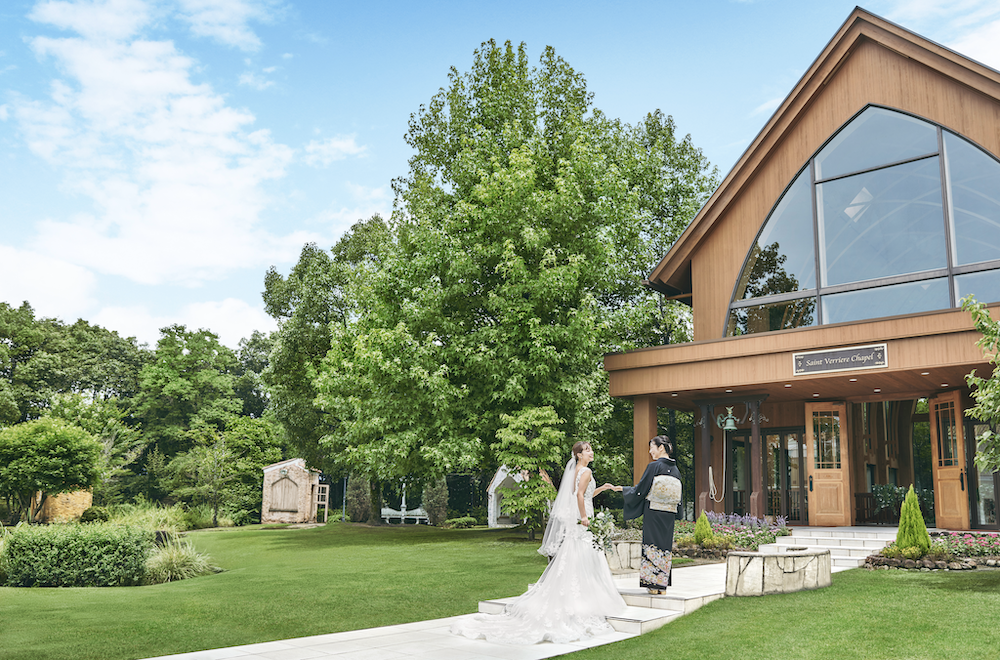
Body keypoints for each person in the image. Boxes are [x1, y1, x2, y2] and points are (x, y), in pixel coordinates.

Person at [450, 441, 627, 645]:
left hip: (577, 518)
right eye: (587, 450)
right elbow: (579, 495)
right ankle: (586, 599)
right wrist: (585, 517)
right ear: (579, 455)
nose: (591, 452)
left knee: (575, 556)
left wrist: (601, 488)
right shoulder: (585, 471)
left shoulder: (576, 471)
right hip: (583, 518)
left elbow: (582, 494)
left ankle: (575, 595)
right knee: (585, 555)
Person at [622, 435, 682, 595]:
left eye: (652, 448)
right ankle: (662, 586)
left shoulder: (654, 466)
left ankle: (652, 584)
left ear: (661, 448)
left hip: (654, 511)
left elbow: (641, 489)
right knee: (664, 547)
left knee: (652, 545)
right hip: (669, 513)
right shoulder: (676, 470)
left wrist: (625, 490)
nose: (650, 452)